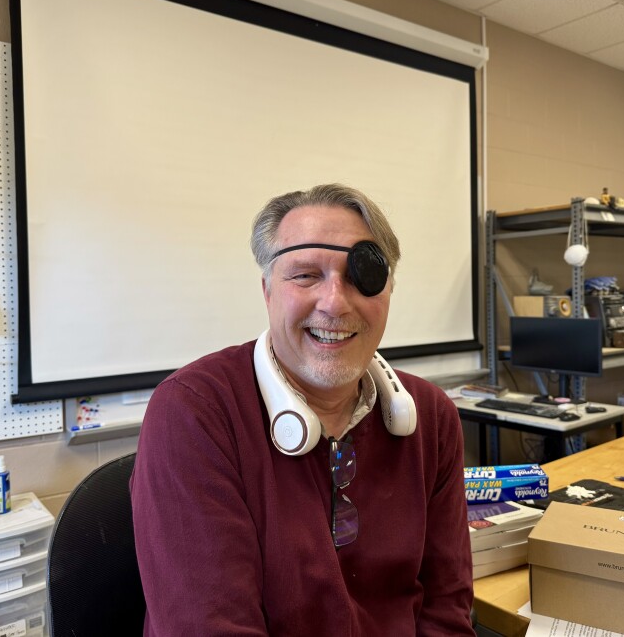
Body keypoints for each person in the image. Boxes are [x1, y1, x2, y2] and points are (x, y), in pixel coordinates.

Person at [131, 183, 474, 635]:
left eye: (361, 276)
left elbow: (446, 611)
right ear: (268, 289)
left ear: (388, 291)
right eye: (306, 275)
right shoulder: (195, 413)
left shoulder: (429, 418)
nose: (334, 302)